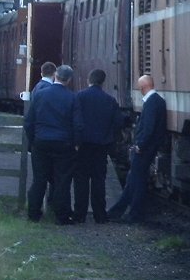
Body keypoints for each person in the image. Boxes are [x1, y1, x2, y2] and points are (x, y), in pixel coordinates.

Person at [107, 75, 167, 223]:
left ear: (143, 87)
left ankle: (134, 214)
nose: (139, 90)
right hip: (149, 147)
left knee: (137, 180)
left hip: (145, 149)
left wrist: (140, 145)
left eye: (140, 87)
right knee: (133, 179)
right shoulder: (158, 101)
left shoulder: (151, 103)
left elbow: (148, 128)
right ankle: (117, 211)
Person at [24, 65, 77, 224]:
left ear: (55, 76)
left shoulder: (39, 95)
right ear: (68, 80)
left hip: (41, 142)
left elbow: (28, 121)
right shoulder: (72, 97)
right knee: (62, 180)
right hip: (63, 144)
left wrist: (33, 140)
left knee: (39, 179)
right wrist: (75, 143)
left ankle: (33, 214)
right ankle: (62, 216)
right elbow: (77, 124)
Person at [72, 69, 123, 224]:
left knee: (81, 180)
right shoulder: (110, 100)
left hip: (82, 145)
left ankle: (79, 214)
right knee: (99, 180)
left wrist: (76, 141)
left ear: (89, 80)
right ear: (103, 82)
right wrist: (109, 137)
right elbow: (118, 123)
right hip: (101, 146)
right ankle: (100, 214)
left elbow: (74, 120)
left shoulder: (79, 97)